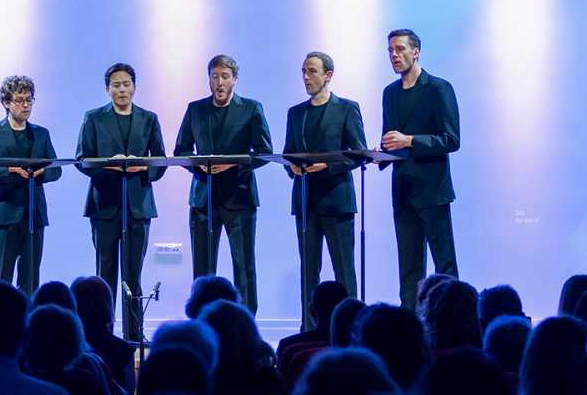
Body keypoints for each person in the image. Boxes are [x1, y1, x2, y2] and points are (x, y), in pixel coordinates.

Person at [74, 62, 168, 342]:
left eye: (126, 83)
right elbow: (82, 159)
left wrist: (142, 168)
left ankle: (134, 333)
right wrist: (108, 166)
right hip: (104, 204)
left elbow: (161, 161)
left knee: (133, 272)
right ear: (107, 89)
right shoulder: (93, 118)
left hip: (138, 205)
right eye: (116, 84)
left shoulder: (149, 118)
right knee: (104, 272)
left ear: (134, 87)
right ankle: (100, 333)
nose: (122, 89)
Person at [174, 54, 273, 314]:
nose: (219, 82)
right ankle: (201, 323)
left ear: (235, 80)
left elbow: (263, 152)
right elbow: (181, 150)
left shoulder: (251, 108)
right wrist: (199, 165)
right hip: (203, 198)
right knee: (203, 269)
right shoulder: (195, 109)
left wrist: (232, 164)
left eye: (225, 76)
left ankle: (248, 321)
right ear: (208, 79)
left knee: (244, 265)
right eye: (214, 76)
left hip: (239, 198)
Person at [380, 29, 460, 309]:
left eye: (400, 49)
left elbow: (451, 140)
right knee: (409, 268)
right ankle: (410, 327)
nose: (394, 55)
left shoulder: (438, 88)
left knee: (444, 264)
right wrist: (381, 153)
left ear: (416, 52)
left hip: (432, 189)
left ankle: (450, 321)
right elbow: (391, 139)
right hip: (403, 189)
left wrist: (410, 140)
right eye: (390, 50)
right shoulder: (389, 93)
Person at [284, 51, 367, 315]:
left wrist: (328, 166)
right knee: (308, 271)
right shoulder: (296, 113)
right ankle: (309, 328)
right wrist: (292, 167)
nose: (306, 77)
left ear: (328, 76)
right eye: (303, 72)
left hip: (337, 201)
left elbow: (359, 153)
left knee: (344, 270)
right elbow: (288, 152)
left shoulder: (347, 108)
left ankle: (352, 327)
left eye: (312, 71)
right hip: (306, 201)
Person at [0, 75, 62, 294]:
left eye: (29, 100)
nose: (26, 105)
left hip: (35, 214)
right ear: (6, 102)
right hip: (5, 214)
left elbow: (56, 168)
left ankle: (28, 325)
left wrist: (43, 173)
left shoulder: (41, 134)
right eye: (20, 100)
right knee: (1, 279)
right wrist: (8, 172)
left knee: (31, 280)